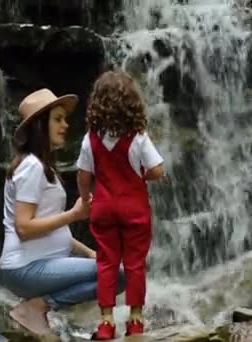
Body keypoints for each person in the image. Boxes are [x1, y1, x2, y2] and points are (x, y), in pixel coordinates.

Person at [0, 88, 125, 338]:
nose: (65, 125)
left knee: (116, 275)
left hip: (36, 266)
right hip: (25, 268)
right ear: (39, 126)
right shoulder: (32, 167)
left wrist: (88, 252)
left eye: (64, 119)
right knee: (116, 274)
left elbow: (49, 226)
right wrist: (73, 215)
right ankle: (37, 307)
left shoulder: (41, 167)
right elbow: (24, 228)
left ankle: (37, 307)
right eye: (57, 119)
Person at [76, 71, 165, 339]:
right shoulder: (138, 137)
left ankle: (106, 322)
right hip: (134, 208)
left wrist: (84, 199)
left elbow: (83, 174)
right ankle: (135, 319)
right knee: (135, 263)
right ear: (132, 104)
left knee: (106, 263)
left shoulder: (90, 138)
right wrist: (141, 175)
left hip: (104, 207)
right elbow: (158, 169)